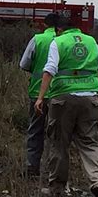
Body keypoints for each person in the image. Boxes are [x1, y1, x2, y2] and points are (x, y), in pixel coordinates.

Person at [35, 16, 98, 197]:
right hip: (90, 99)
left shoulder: (58, 42)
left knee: (59, 143)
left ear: (59, 30)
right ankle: (97, 181)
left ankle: (58, 189)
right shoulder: (90, 41)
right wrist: (91, 82)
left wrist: (40, 97)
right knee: (91, 143)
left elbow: (50, 69)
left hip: (63, 99)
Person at [19, 13, 59, 177]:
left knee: (35, 131)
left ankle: (31, 168)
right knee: (57, 134)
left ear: (45, 25)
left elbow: (24, 64)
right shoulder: (64, 42)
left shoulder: (37, 39)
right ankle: (54, 172)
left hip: (37, 94)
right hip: (60, 94)